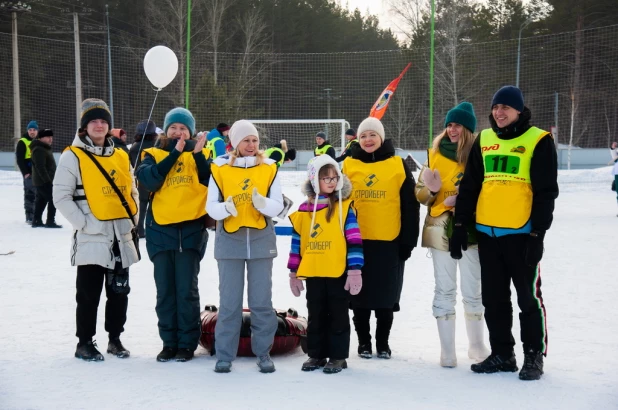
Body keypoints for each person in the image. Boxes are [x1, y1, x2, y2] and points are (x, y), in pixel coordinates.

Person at [450, 86, 559, 381]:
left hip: (522, 235)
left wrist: (538, 234)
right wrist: (460, 225)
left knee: (528, 299)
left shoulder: (538, 140)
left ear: (519, 112)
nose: (499, 113)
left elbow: (546, 192)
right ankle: (502, 354)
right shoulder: (484, 140)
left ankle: (533, 356)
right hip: (488, 233)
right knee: (495, 299)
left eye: (506, 108)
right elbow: (470, 187)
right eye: (496, 107)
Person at [53, 98, 140, 361]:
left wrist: (132, 219)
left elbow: (132, 190)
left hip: (119, 237)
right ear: (84, 127)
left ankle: (115, 338)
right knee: (88, 294)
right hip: (92, 238)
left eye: (104, 121)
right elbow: (61, 197)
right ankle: (84, 342)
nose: (99, 125)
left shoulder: (121, 155)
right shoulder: (72, 156)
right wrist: (85, 225)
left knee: (119, 292)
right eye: (94, 121)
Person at [414, 102, 489, 368]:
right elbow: (420, 194)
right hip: (439, 229)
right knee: (444, 288)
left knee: (474, 288)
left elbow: (489, 190)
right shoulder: (433, 155)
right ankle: (447, 350)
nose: (451, 129)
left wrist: (467, 200)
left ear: (467, 128)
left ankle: (477, 344)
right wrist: (431, 189)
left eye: (457, 124)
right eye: (449, 124)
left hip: (471, 228)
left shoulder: (478, 154)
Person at [206, 120, 283, 374]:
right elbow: (211, 207)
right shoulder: (219, 168)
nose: (251, 145)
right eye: (246, 140)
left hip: (261, 242)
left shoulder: (269, 168)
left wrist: (263, 204)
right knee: (229, 303)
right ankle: (225, 355)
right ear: (235, 143)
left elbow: (277, 206)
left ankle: (264, 353)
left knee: (261, 302)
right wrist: (225, 209)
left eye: (254, 140)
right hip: (230, 243)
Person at [135, 108, 211, 363]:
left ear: (191, 132)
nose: (178, 133)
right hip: (161, 233)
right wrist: (175, 154)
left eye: (184, 129)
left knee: (186, 291)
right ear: (166, 131)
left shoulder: (201, 154)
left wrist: (197, 155)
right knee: (165, 292)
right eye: (174, 128)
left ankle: (187, 344)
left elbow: (209, 181)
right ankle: (169, 343)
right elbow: (150, 181)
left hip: (190, 233)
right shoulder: (152, 154)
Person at [342, 117, 419, 359]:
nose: (367, 140)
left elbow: (410, 205)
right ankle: (364, 342)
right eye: (363, 135)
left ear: (381, 138)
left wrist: (408, 240)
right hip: (357, 244)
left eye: (372, 135)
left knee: (386, 298)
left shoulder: (397, 165)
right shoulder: (348, 165)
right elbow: (337, 202)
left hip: (390, 242)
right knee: (359, 297)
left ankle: (383, 343)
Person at [288, 155, 364, 373]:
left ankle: (338, 357)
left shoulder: (344, 207)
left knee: (338, 315)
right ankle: (316, 354)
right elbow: (296, 244)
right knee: (316, 315)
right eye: (325, 178)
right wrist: (293, 272)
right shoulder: (304, 211)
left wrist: (355, 270)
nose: (331, 181)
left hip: (337, 272)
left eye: (334, 177)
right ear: (314, 181)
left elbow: (355, 240)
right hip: (314, 273)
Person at [129, 120, 158, 238]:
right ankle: (150, 228)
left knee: (141, 206)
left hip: (139, 180)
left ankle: (139, 227)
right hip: (154, 179)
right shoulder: (155, 146)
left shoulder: (135, 147)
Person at [30, 128, 61, 228]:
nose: (50, 139)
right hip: (44, 181)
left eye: (51, 137)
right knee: (53, 199)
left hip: (43, 180)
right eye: (48, 137)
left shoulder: (44, 148)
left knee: (41, 200)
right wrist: (47, 181)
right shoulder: (39, 149)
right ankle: (50, 221)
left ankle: (36, 220)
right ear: (41, 138)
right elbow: (40, 167)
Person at [15, 120, 38, 224]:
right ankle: (29, 217)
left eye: (34, 130)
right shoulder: (22, 142)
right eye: (30, 130)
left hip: (38, 174)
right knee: (30, 195)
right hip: (29, 173)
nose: (32, 131)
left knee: (39, 195)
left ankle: (37, 216)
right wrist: (25, 173)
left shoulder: (38, 141)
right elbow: (19, 159)